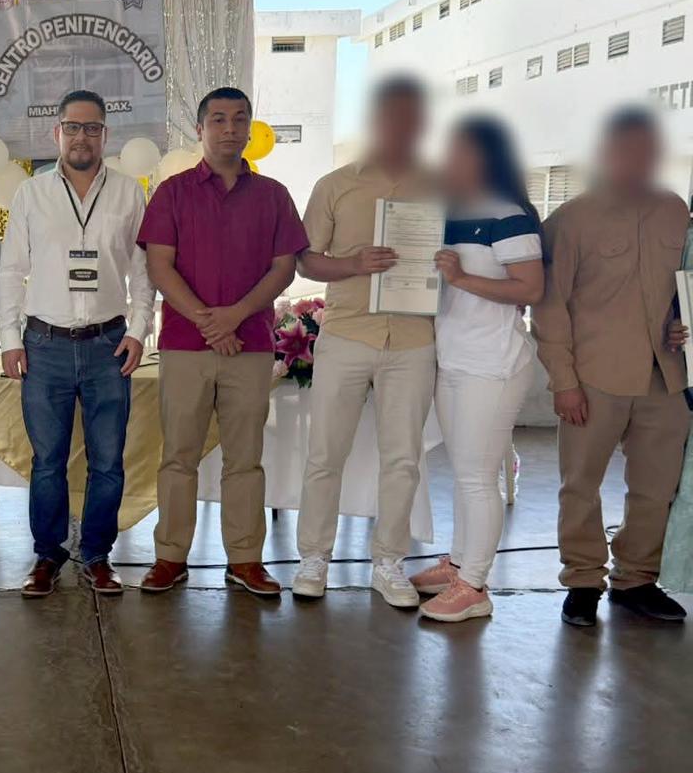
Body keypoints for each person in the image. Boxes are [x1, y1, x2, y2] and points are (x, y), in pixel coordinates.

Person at [136, 87, 309, 596]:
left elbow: (284, 269)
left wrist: (234, 317)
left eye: (239, 119)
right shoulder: (172, 192)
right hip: (185, 346)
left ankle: (245, 559)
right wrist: (210, 323)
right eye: (218, 119)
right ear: (200, 129)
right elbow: (159, 266)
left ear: (250, 127)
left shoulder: (273, 195)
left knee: (245, 457)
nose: (229, 128)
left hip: (250, 345)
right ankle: (170, 557)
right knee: (178, 455)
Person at [532, 108, 690, 627]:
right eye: (628, 150)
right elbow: (549, 306)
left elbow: (683, 287)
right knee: (580, 484)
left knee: (656, 487)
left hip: (665, 378)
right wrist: (564, 381)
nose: (639, 160)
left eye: (648, 150)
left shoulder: (675, 211)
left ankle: (636, 580)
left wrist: (681, 324)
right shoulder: (573, 219)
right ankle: (582, 581)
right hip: (593, 377)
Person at [0, 89, 155, 597]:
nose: (81, 136)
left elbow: (142, 272)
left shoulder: (129, 193)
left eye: (91, 128)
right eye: (72, 127)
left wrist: (138, 330)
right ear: (56, 133)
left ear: (106, 134)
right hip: (45, 346)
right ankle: (48, 555)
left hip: (109, 345)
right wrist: (9, 339)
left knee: (108, 461)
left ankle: (97, 555)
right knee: (48, 462)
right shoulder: (31, 194)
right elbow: (11, 271)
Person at [294, 76, 437, 607]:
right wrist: (353, 264)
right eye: (390, 115)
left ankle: (389, 562)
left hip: (414, 339)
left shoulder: (441, 186)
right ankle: (313, 557)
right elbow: (306, 260)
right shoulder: (336, 185)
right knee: (325, 454)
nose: (401, 125)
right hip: (348, 333)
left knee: (403, 459)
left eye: (411, 116)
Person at [406, 118, 545, 622]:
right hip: (453, 357)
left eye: (461, 152)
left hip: (493, 362)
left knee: (476, 477)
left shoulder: (508, 215)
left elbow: (530, 289)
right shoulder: (444, 212)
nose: (451, 161)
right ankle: (460, 563)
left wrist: (462, 278)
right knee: (464, 473)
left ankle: (475, 587)